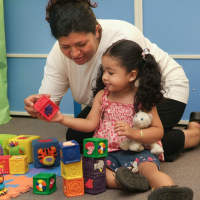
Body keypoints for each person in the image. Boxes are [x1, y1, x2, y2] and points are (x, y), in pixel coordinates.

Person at [24, 0, 200, 162]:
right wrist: (38, 106)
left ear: (97, 30)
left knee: (138, 145)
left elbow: (135, 93)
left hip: (156, 92)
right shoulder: (58, 53)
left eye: (81, 44)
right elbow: (49, 103)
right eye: (65, 47)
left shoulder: (123, 36)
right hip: (114, 99)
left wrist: (132, 134)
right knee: (76, 136)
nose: (74, 53)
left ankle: (193, 133)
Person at [36, 40, 193, 200]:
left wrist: (133, 133)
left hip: (137, 150)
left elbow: (158, 131)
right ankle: (127, 181)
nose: (104, 76)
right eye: (104, 70)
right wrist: (62, 119)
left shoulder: (143, 98)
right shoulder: (102, 96)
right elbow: (90, 123)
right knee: (91, 172)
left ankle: (169, 190)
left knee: (150, 170)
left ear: (132, 75)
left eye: (111, 73)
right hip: (105, 153)